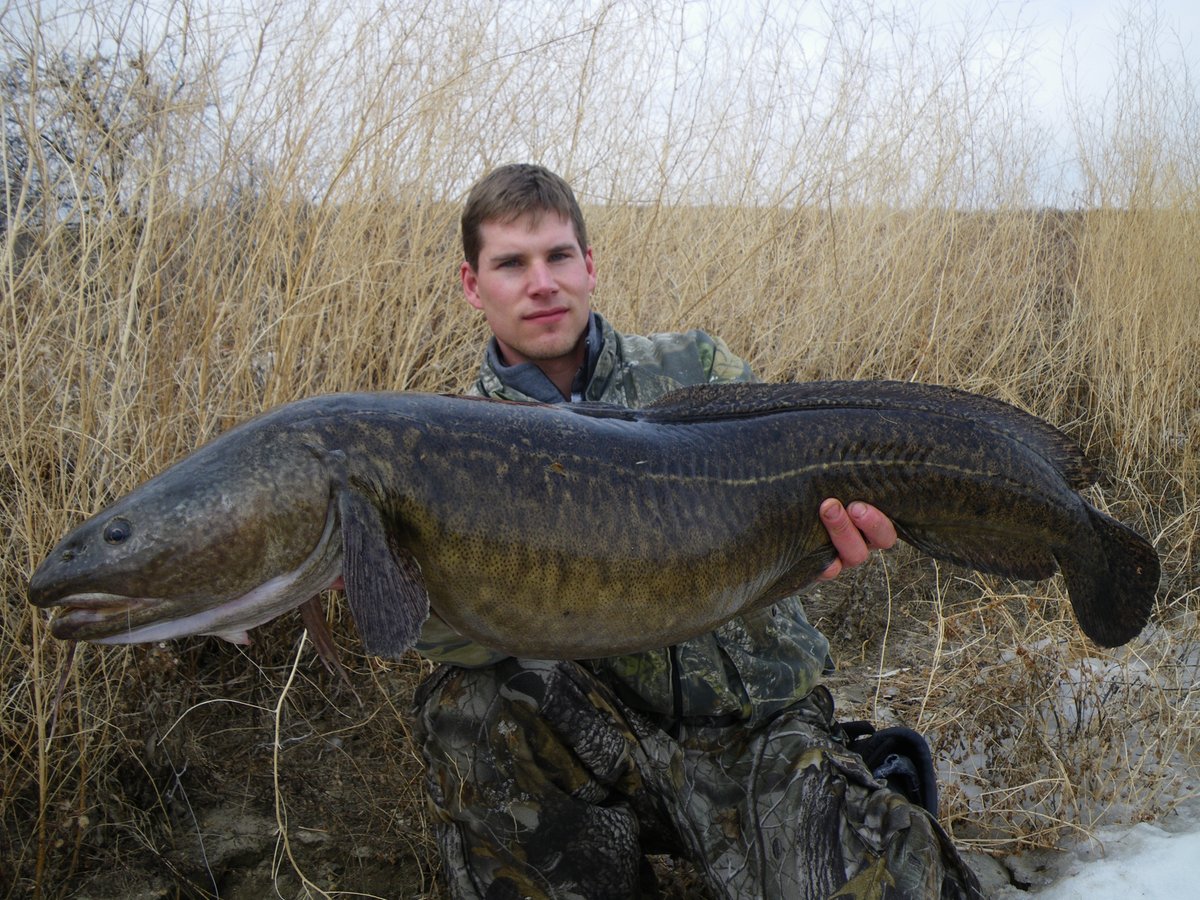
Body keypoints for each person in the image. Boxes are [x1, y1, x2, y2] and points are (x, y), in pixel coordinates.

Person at [411, 163, 984, 899]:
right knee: (465, 705)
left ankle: (830, 797)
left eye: (557, 256)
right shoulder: (442, 447)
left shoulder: (695, 369)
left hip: (758, 731)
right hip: (604, 740)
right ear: (472, 284)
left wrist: (826, 546)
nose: (541, 282)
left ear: (589, 265)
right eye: (511, 264)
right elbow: (453, 632)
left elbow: (808, 505)